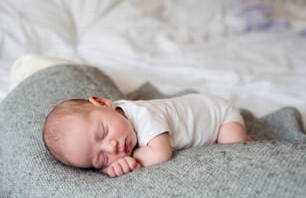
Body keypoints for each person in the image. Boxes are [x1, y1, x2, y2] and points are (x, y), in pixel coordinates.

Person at [43, 94, 251, 177]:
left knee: (234, 147)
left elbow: (161, 153)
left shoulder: (144, 115)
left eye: (103, 133)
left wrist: (123, 163)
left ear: (105, 103)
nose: (112, 147)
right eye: (102, 158)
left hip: (218, 115)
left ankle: (248, 139)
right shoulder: (115, 120)